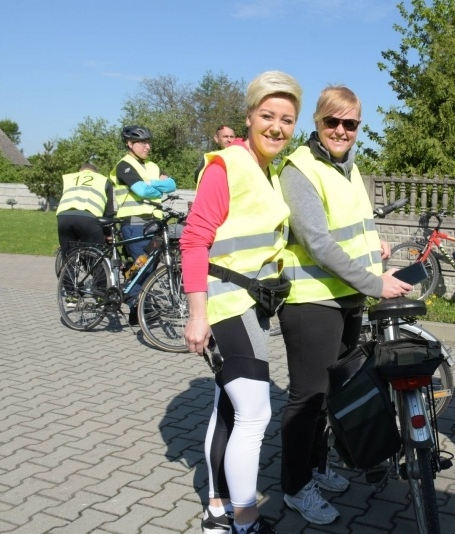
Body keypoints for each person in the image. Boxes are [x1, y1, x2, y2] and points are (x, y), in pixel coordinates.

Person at [277, 85, 412, 525]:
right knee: (307, 398)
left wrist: (376, 249)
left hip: (346, 298)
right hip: (312, 301)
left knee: (331, 394)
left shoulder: (348, 168)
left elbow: (351, 229)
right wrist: (375, 283)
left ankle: (316, 467)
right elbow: (318, 243)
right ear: (317, 122)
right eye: (331, 121)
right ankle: (295, 486)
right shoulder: (300, 169)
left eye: (349, 123)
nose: (340, 130)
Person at [181, 70, 303, 534]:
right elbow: (194, 241)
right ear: (249, 116)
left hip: (251, 304)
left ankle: (217, 508)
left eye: (287, 120)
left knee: (229, 407)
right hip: (226, 304)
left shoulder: (266, 169)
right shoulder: (226, 166)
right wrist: (197, 316)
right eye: (268, 116)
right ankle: (246, 519)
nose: (277, 127)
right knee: (255, 413)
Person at [109, 125, 177, 325]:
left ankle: (137, 308)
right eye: (142, 143)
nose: (147, 146)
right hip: (134, 222)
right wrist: (157, 185)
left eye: (148, 142)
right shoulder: (124, 165)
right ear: (130, 144)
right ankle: (136, 305)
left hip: (154, 222)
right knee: (142, 266)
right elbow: (142, 191)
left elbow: (172, 185)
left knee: (147, 266)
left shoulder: (153, 166)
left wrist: (150, 184)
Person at [56, 163, 116, 259]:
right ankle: (98, 268)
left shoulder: (69, 178)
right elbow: (109, 212)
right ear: (95, 172)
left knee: (68, 256)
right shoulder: (103, 180)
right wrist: (107, 233)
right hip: (88, 217)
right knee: (97, 256)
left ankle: (67, 267)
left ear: (80, 171)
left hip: (64, 217)